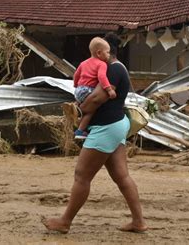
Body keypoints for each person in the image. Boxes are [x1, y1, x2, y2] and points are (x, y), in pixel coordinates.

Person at [42, 33, 147, 234]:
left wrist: (79, 110)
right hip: (116, 125)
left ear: (106, 52)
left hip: (106, 128)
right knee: (121, 176)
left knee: (82, 175)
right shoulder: (117, 68)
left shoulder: (113, 69)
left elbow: (97, 98)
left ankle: (65, 221)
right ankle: (138, 221)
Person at [73, 37, 117, 140]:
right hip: (88, 90)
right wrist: (109, 90)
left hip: (78, 90)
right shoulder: (102, 64)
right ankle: (80, 131)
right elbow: (102, 77)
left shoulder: (83, 63)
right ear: (99, 53)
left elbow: (76, 75)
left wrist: (76, 85)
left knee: (83, 107)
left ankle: (76, 109)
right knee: (90, 111)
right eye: (107, 52)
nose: (109, 55)